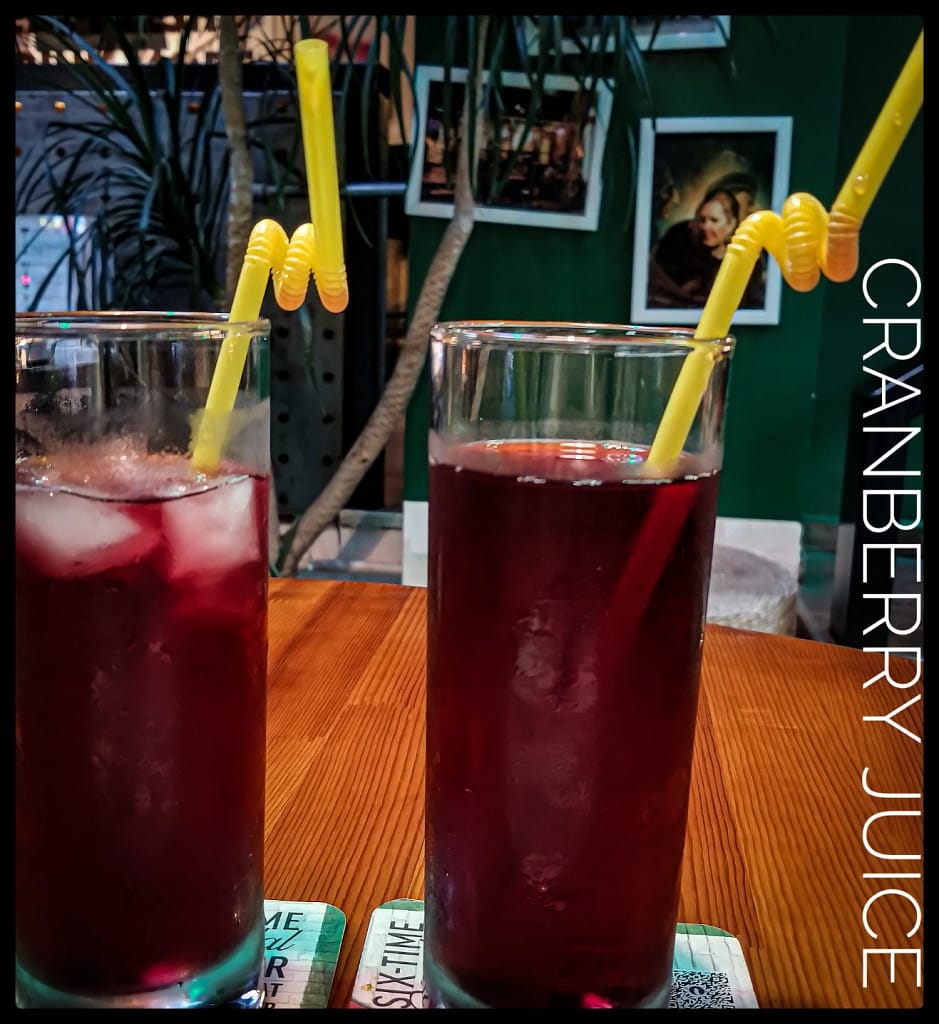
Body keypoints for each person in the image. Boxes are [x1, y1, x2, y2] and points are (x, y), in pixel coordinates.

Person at [647, 187, 765, 309]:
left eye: (714, 220)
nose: (705, 226)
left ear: (731, 224)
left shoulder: (747, 259)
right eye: (702, 220)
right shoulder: (680, 245)